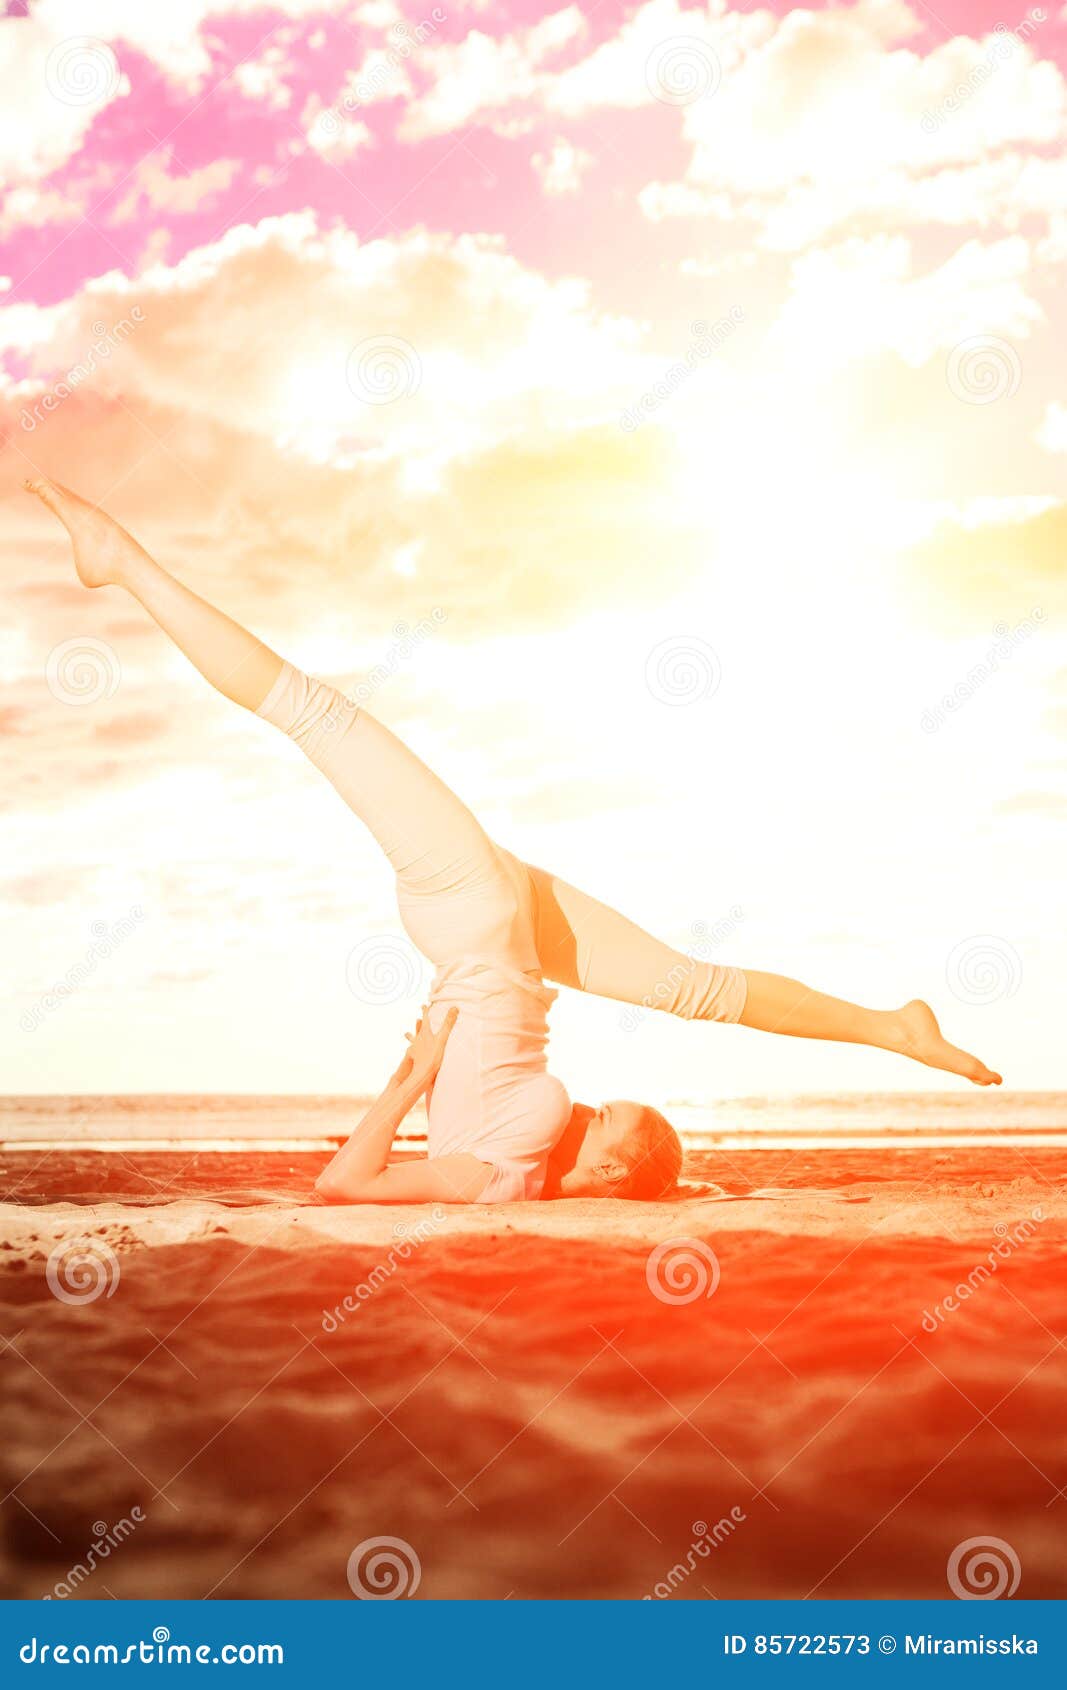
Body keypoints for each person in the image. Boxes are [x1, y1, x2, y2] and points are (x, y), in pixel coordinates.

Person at [25, 479, 1002, 1206]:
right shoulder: (538, 1171)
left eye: (622, 1125)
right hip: (507, 930)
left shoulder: (502, 1175)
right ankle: (890, 1028)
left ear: (615, 1162)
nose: (613, 1110)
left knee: (311, 711)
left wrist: (407, 1080)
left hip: (472, 913)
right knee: (694, 988)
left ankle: (124, 563)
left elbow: (341, 1188)